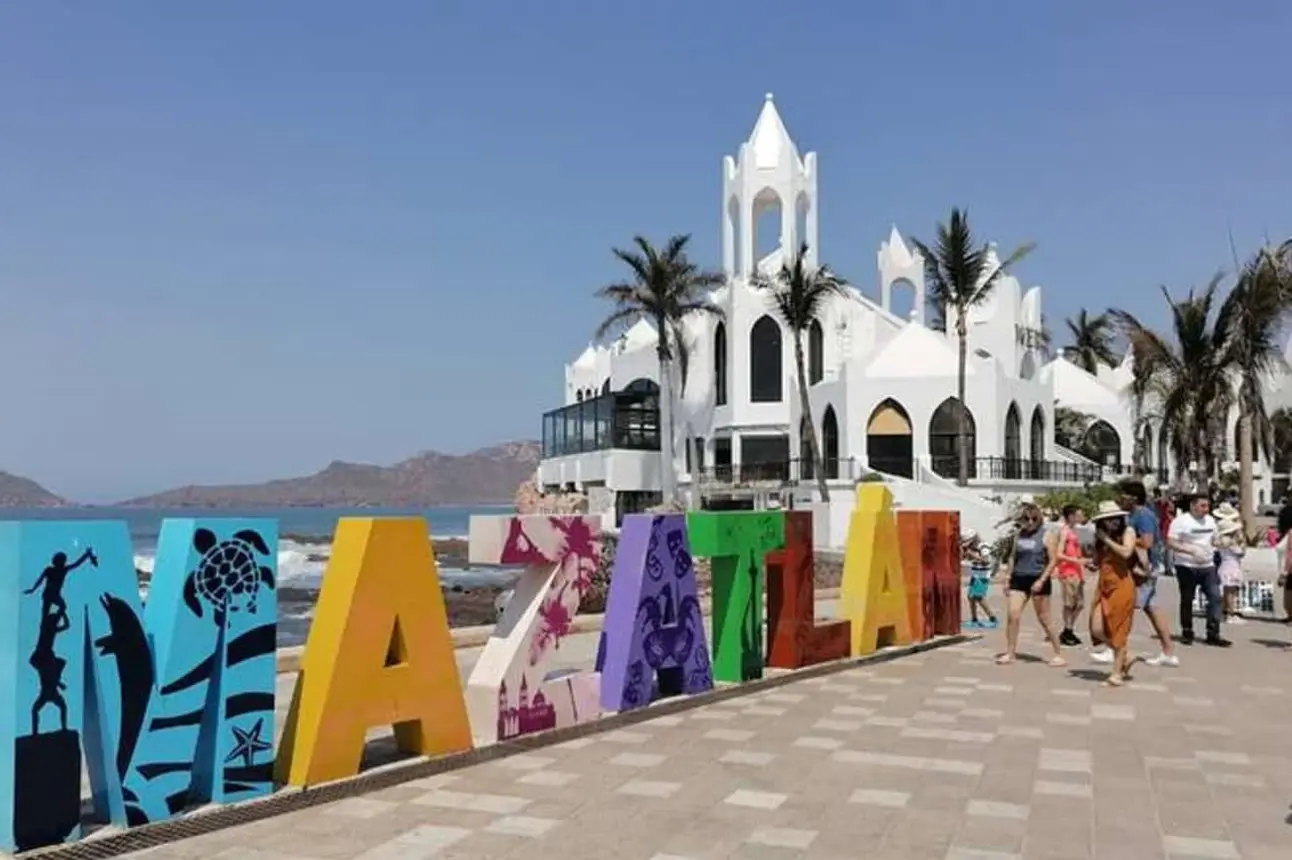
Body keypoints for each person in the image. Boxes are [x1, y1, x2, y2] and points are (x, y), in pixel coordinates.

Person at [1093, 480, 1179, 667]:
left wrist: (1125, 540)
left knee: (1120, 607)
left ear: (1132, 497)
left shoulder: (1143, 515)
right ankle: (1168, 650)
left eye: (1122, 495)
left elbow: (1148, 542)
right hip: (1138, 567)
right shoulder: (1135, 514)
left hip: (1142, 569)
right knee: (1152, 608)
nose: (1119, 499)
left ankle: (1115, 648)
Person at [996, 503, 1066, 667]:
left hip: (1038, 578)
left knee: (1044, 618)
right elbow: (1013, 557)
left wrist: (1042, 580)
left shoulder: (1046, 535)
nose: (1030, 522)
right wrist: (1007, 577)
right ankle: (1010, 652)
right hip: (1019, 578)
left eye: (1033, 518)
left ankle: (1058, 653)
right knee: (1013, 614)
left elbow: (1053, 560)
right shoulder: (1018, 535)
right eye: (1026, 518)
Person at [1168, 493, 1230, 647]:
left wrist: (1220, 542)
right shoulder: (1180, 522)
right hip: (1186, 566)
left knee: (1215, 597)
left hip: (1207, 565)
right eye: (1202, 506)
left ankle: (1213, 633)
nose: (1206, 509)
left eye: (1208, 506)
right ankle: (1187, 631)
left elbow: (1214, 538)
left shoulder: (1210, 521)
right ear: (1192, 505)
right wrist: (1191, 550)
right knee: (1187, 599)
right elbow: (1171, 542)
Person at [1088, 500, 1139, 686]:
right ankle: (1125, 655)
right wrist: (1093, 562)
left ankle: (1116, 674)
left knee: (1118, 629)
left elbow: (1126, 553)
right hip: (1104, 585)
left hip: (1122, 586)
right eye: (1109, 520)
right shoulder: (1100, 538)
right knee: (1097, 628)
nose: (1114, 523)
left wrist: (1107, 540)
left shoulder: (1128, 532)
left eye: (1116, 519)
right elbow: (1098, 560)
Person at [1053, 505, 1089, 646]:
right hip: (1068, 572)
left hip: (1077, 571)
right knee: (1069, 604)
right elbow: (1059, 553)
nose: (1081, 517)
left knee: (1079, 604)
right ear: (1071, 516)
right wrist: (1077, 560)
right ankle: (1068, 630)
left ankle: (1068, 628)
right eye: (1079, 514)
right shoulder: (1064, 532)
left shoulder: (1074, 531)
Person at [1215, 516, 1246, 624]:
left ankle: (1225, 612)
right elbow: (1241, 553)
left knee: (1226, 591)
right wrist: (1241, 542)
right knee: (1231, 592)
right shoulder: (1231, 542)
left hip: (1225, 566)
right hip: (1232, 567)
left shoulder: (1222, 541)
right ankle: (1230, 613)